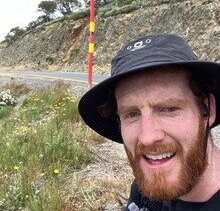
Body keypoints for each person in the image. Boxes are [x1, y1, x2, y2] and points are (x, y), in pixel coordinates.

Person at [78, 33, 220, 211]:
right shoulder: (144, 186)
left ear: (207, 110)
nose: (147, 137)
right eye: (131, 114)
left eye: (169, 108)